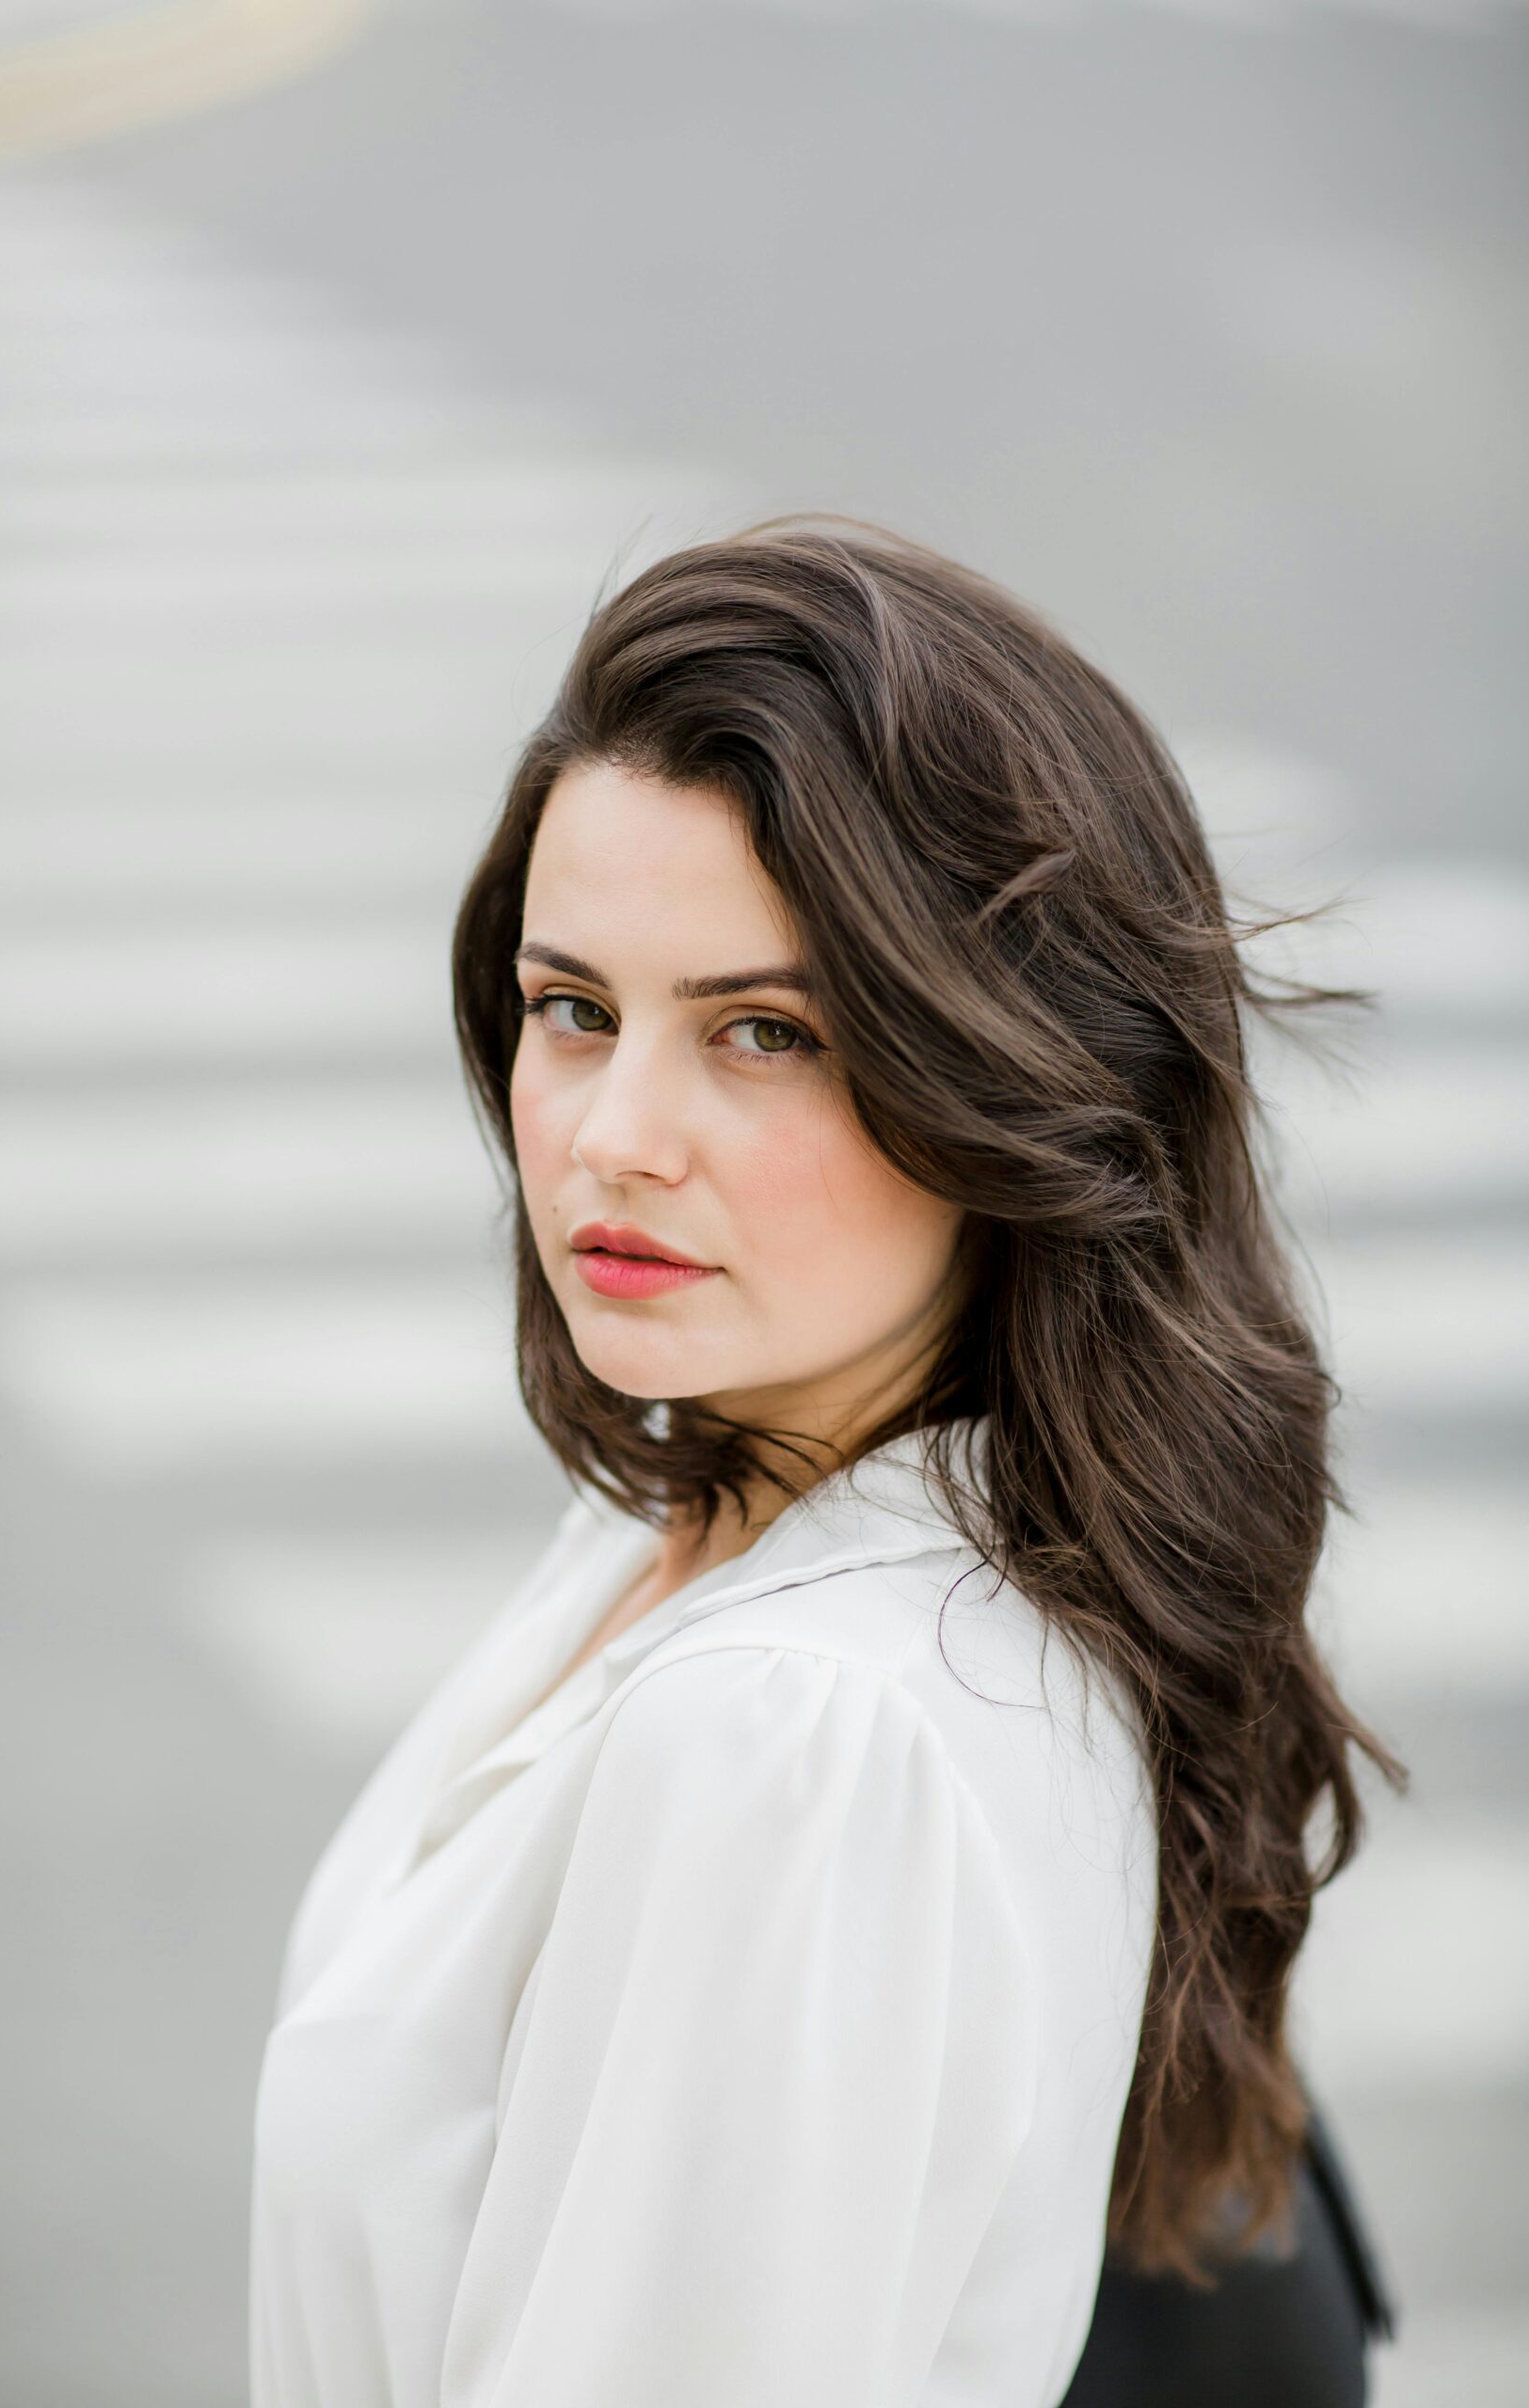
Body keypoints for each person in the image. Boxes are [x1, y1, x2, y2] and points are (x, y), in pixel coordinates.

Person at [247, 518, 1403, 2407]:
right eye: (570, 1007)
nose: (613, 1134)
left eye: (764, 1032)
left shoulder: (798, 1733)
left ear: (1003, 1076)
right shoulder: (700, 1508)